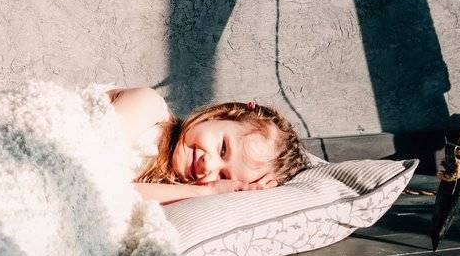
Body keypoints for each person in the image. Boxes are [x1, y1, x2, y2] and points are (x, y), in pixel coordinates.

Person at [107, 87, 309, 204]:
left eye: (223, 177)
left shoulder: (173, 190)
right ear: (218, 116)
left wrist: (207, 191)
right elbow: (97, 179)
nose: (209, 165)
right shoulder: (149, 107)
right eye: (223, 149)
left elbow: (119, 197)